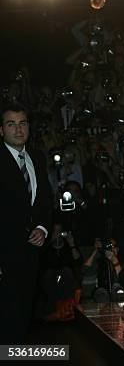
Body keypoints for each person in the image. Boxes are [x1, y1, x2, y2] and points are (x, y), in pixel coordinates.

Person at [0, 103, 52, 343]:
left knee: (22, 314)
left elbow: (44, 199)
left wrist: (42, 227)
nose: (18, 129)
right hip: (4, 253)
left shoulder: (37, 158)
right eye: (11, 124)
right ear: (1, 130)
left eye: (23, 123)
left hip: (30, 252)